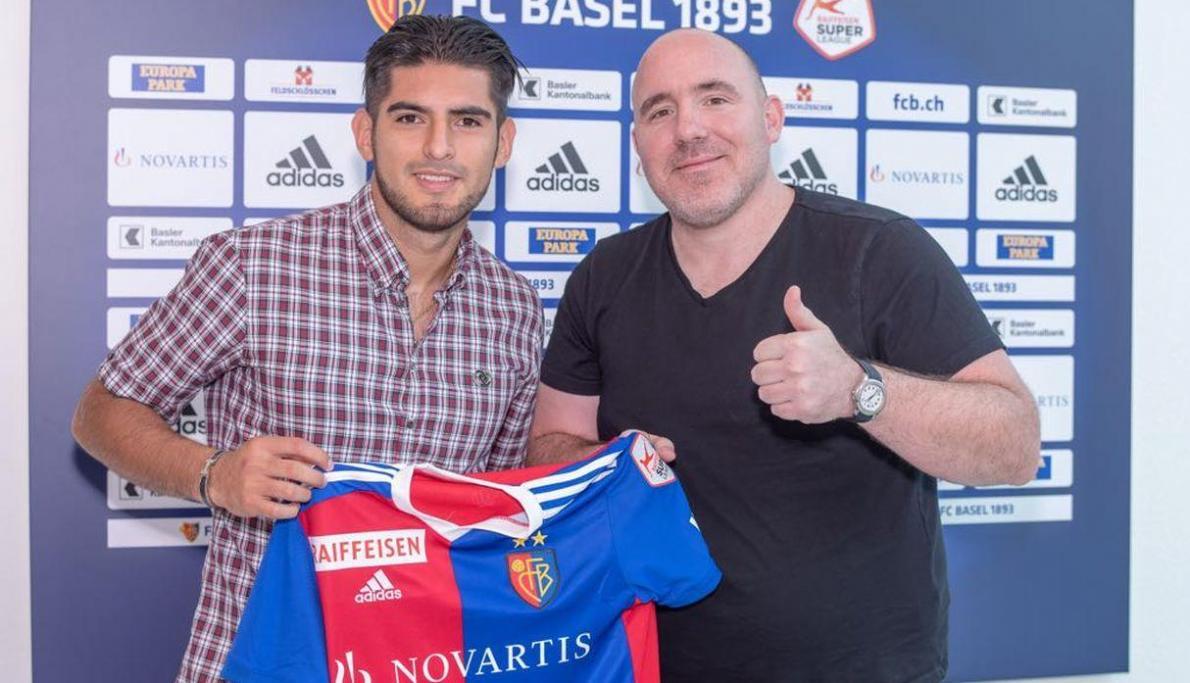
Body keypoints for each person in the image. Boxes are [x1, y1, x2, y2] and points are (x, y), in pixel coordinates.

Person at [528, 28, 1041, 682]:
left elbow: (1015, 444)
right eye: (660, 111)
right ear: (637, 142)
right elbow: (548, 447)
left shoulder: (880, 252)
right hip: (650, 666)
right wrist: (606, 464)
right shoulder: (604, 276)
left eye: (716, 99)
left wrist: (859, 390)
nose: (689, 129)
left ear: (771, 119)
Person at [71, 15, 542, 682]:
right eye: (410, 118)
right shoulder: (251, 266)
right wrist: (214, 474)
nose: (439, 147)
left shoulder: (515, 307)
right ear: (365, 133)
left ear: (502, 142)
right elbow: (101, 412)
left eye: (467, 120)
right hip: (258, 661)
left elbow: (496, 505)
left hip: (428, 662)